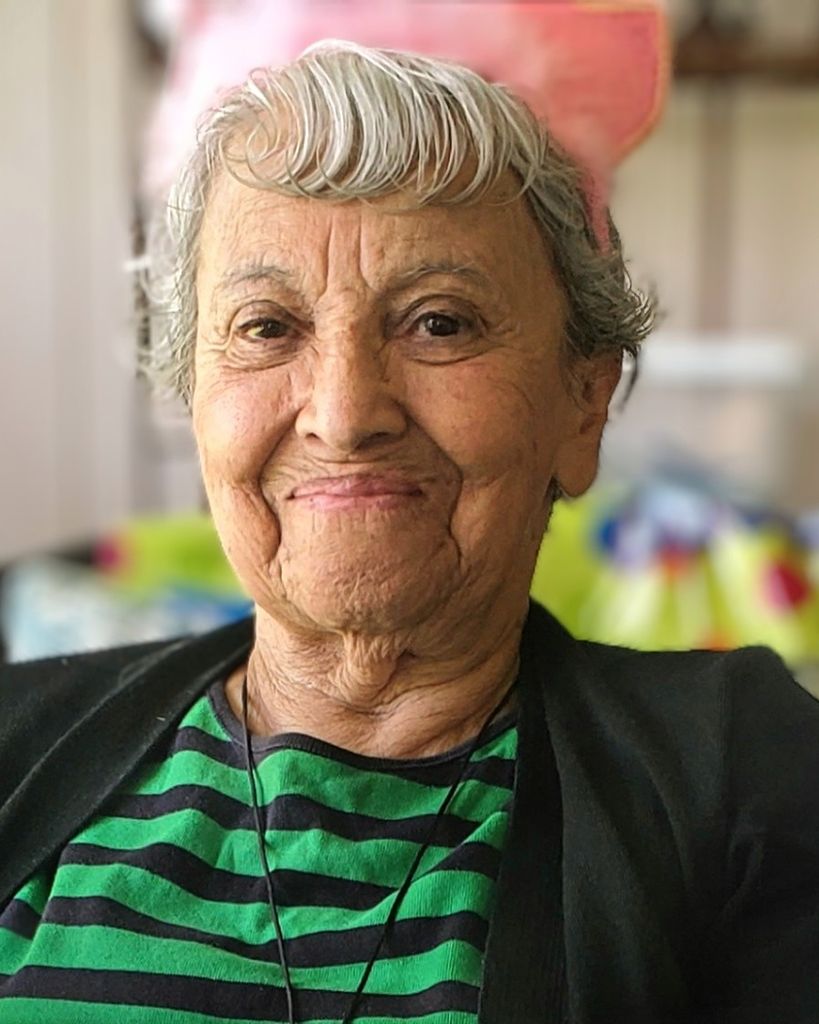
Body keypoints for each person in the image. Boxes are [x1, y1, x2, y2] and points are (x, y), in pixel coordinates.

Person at [2, 42, 819, 1024]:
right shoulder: (17, 744)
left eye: (439, 322)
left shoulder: (739, 775)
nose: (345, 415)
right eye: (266, 327)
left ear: (582, 404)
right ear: (195, 395)